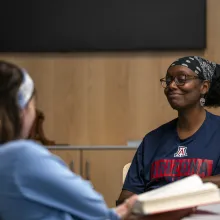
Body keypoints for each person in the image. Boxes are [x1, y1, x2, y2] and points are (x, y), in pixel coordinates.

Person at [0, 60, 194, 220]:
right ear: (22, 109)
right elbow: (95, 207)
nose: (172, 86)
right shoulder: (21, 156)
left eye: (182, 79)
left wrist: (119, 212)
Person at [118, 56, 220, 204]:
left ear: (204, 87)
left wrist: (180, 189)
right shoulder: (152, 140)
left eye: (181, 79)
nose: (171, 86)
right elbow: (127, 196)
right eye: (168, 80)